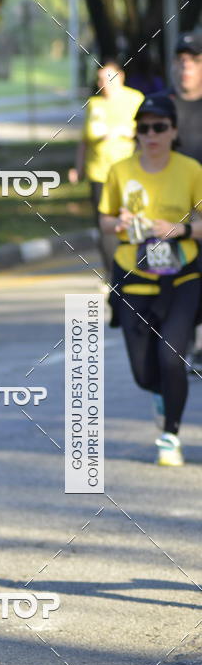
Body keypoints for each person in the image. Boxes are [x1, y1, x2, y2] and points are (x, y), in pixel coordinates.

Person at [99, 93, 202, 466]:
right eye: (144, 128)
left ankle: (170, 436)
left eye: (160, 127)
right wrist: (121, 223)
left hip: (182, 276)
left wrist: (182, 229)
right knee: (145, 373)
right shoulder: (120, 171)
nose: (151, 134)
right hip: (134, 274)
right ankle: (161, 395)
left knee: (171, 358)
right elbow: (105, 219)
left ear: (174, 130)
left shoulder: (191, 171)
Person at [69, 59, 144, 276]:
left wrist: (122, 132)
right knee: (105, 225)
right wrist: (78, 169)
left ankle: (140, 269)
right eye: (100, 79)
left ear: (120, 77)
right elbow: (84, 141)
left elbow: (148, 132)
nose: (105, 83)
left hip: (130, 172)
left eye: (109, 78)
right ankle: (114, 275)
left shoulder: (135, 99)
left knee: (134, 221)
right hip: (99, 173)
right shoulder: (94, 104)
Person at [170, 30, 202, 373]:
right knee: (180, 280)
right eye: (180, 61)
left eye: (194, 61)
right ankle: (185, 346)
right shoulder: (163, 108)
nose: (186, 68)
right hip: (174, 214)